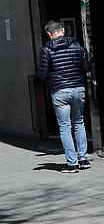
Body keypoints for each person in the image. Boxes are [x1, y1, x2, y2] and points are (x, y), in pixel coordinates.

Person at [37, 20, 92, 173]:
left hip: (60, 91)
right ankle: (83, 159)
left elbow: (42, 74)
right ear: (63, 30)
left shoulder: (46, 50)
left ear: (49, 34)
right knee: (79, 122)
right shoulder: (77, 46)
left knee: (65, 127)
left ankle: (72, 164)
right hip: (78, 88)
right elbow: (86, 67)